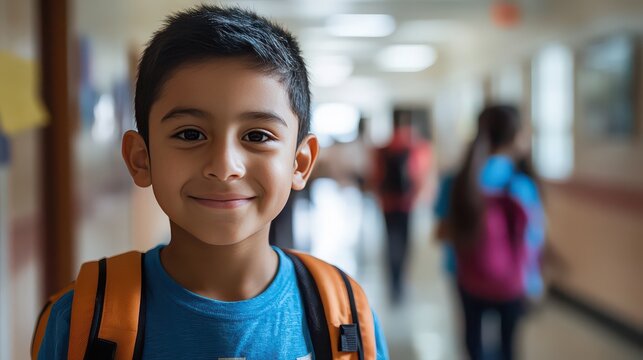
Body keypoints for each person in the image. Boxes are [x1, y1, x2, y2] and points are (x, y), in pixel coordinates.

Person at [34, 6, 388, 359]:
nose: (224, 167)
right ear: (141, 159)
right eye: (190, 134)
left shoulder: (344, 317)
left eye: (257, 135)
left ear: (300, 162)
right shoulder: (81, 323)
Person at [435, 105, 545, 360]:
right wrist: (534, 282)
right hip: (512, 281)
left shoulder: (456, 180)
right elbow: (532, 241)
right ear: (514, 136)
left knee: (473, 340)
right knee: (508, 345)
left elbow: (443, 232)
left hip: (465, 273)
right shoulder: (522, 184)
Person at [371, 109, 431, 303]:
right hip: (406, 203)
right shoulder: (414, 146)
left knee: (390, 241)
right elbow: (418, 174)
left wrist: (379, 194)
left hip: (387, 202)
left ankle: (393, 282)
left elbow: (376, 175)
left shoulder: (383, 148)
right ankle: (401, 281)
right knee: (404, 243)